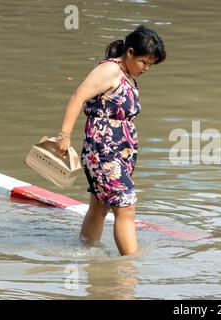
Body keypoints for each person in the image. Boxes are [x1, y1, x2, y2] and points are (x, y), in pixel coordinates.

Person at [56, 25, 166, 255]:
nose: (147, 68)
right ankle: (129, 269)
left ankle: (86, 253)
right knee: (126, 207)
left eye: (150, 64)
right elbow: (78, 97)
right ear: (130, 53)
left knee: (100, 206)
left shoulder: (126, 74)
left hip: (119, 151)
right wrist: (64, 135)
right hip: (104, 150)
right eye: (144, 62)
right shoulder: (109, 70)